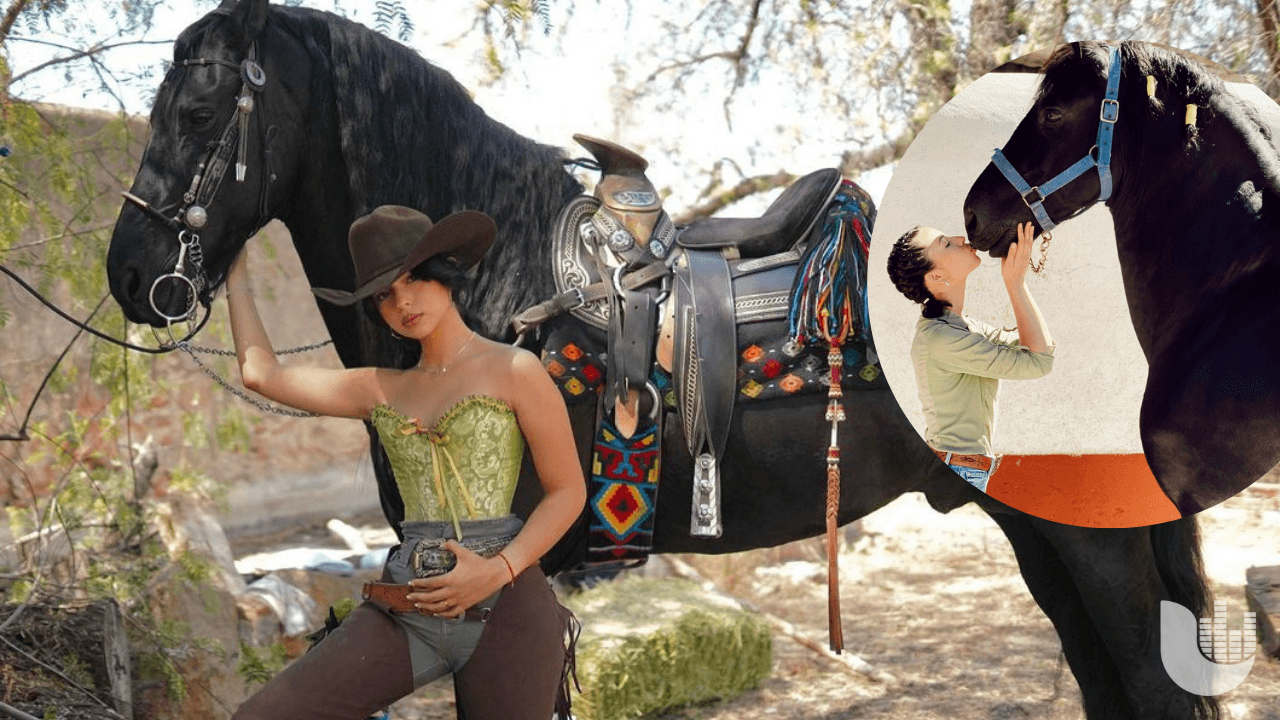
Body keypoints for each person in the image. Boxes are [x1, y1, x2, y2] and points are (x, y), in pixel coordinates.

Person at [226, 205, 586, 720]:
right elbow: (261, 373)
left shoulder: (514, 368)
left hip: (507, 606)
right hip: (408, 604)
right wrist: (234, 268)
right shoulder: (378, 387)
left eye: (415, 278)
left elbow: (567, 491)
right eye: (385, 294)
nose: (403, 301)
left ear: (445, 274)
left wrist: (498, 570)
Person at [886, 221, 1054, 493]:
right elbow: (1039, 361)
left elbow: (1038, 348)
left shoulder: (965, 329)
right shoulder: (943, 339)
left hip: (963, 469)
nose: (959, 237)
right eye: (946, 243)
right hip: (958, 473)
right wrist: (1015, 284)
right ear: (936, 278)